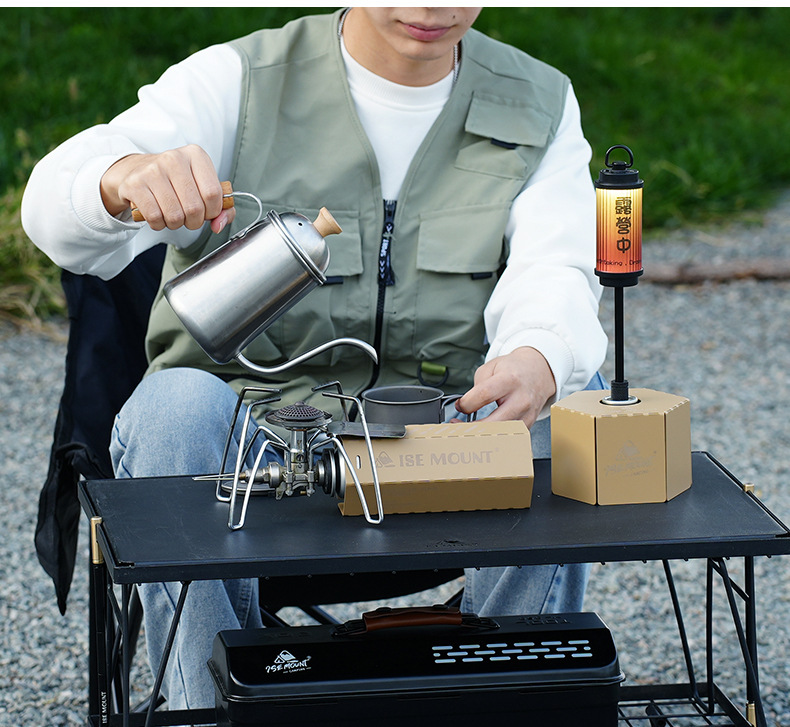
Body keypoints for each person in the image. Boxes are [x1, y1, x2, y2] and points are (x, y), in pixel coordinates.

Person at [23, 7, 607, 711]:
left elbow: (557, 266)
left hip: (447, 447)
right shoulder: (236, 79)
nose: (433, 9)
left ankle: (508, 702)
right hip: (252, 462)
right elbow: (53, 209)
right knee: (173, 408)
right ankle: (211, 711)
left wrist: (539, 353)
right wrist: (119, 180)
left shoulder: (540, 100)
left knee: (570, 399)